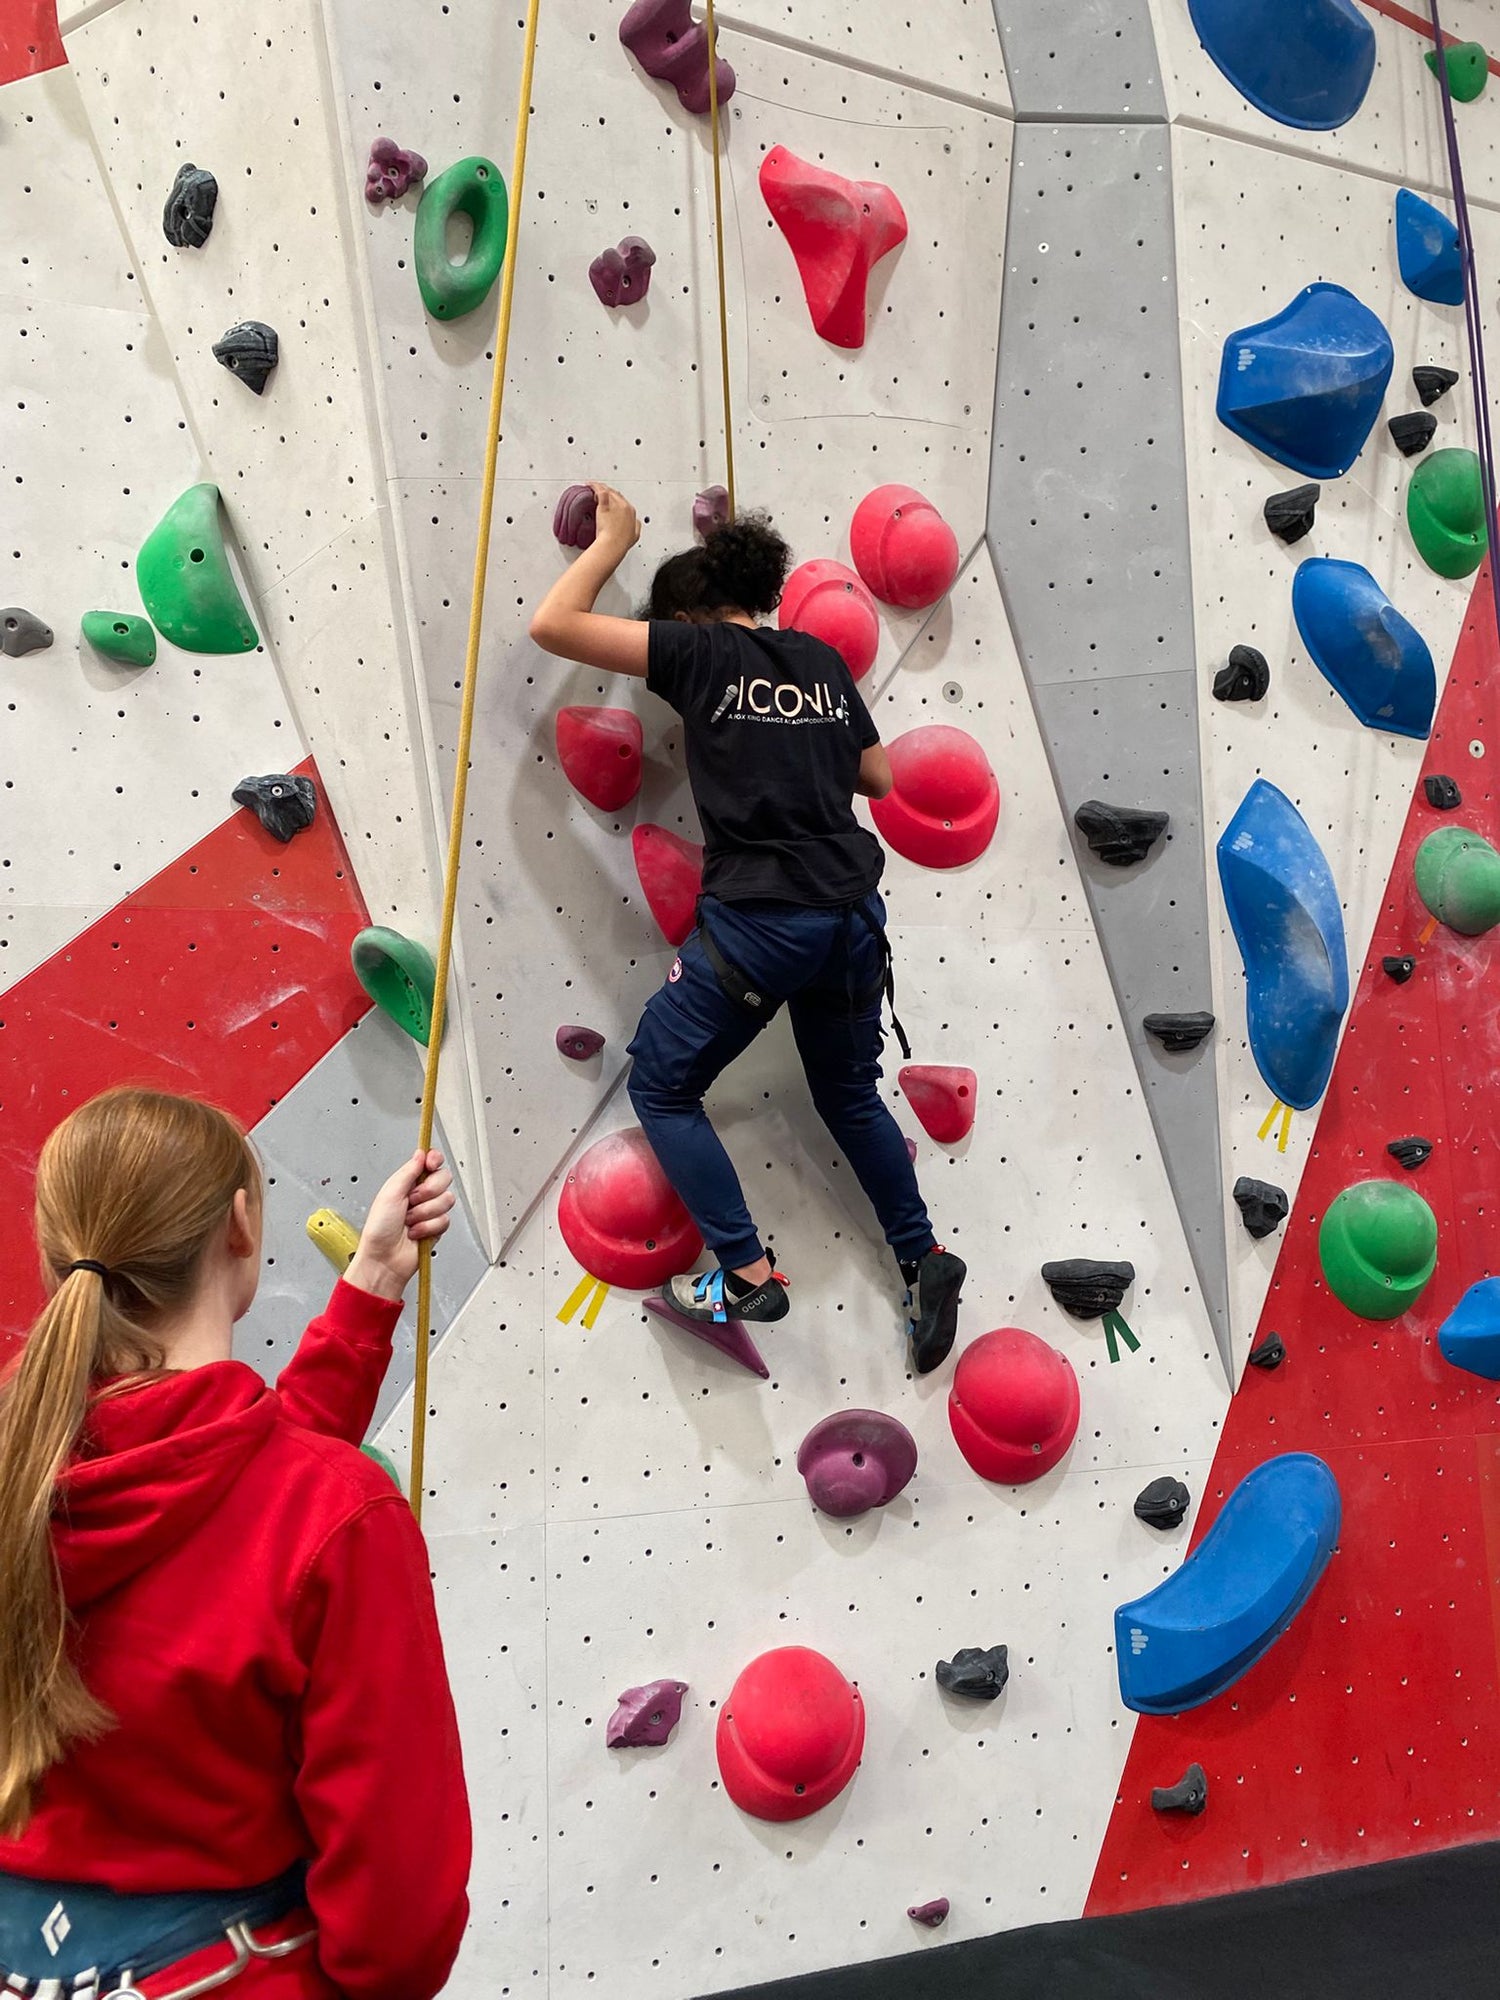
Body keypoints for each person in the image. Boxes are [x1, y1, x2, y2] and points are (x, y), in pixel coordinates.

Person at [0, 1086, 471, 1999]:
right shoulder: (335, 1522)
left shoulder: (22, 1469)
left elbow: (224, 1495)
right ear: (241, 1227)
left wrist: (371, 1285)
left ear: (55, 1252)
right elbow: (398, 1924)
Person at [530, 484, 966, 1373]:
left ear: (686, 613)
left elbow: (553, 624)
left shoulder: (695, 650)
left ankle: (746, 1272)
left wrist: (613, 539)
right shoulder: (819, 659)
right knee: (848, 1096)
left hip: (765, 922)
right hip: (851, 917)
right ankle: (923, 1260)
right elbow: (878, 780)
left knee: (661, 1083)